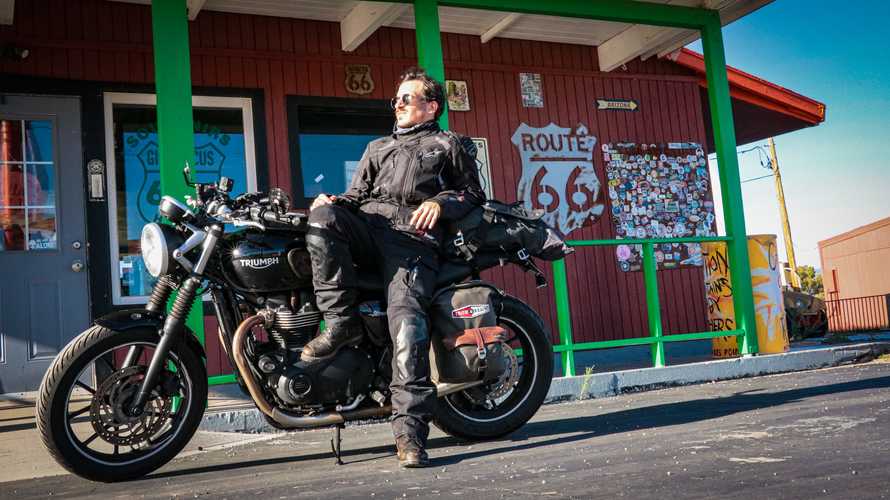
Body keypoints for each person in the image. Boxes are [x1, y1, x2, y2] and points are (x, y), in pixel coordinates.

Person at [301, 67, 485, 468]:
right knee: (323, 218)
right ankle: (340, 323)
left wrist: (441, 202)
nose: (398, 104)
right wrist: (330, 203)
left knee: (407, 326)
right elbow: (356, 196)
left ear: (431, 106)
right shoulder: (377, 147)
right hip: (370, 228)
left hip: (412, 242)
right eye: (396, 98)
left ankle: (410, 436)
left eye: (407, 97)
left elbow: (473, 192)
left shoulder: (447, 143)